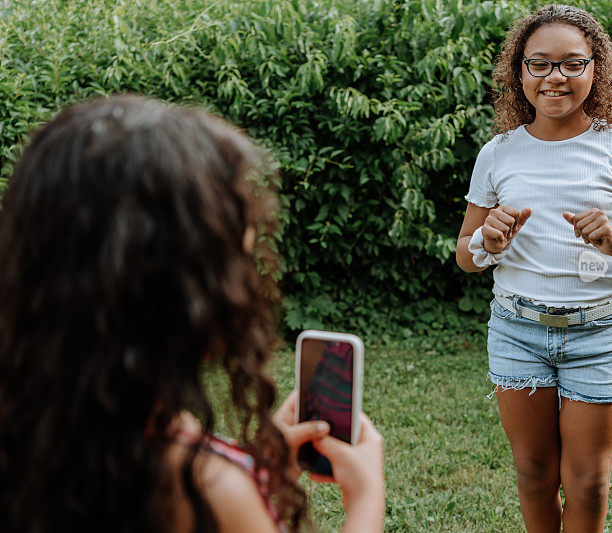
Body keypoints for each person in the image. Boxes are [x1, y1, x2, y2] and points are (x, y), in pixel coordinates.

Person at [0, 95, 385, 533]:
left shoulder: (41, 427)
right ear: (177, 292)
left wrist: (258, 468)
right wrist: (366, 499)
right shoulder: (206, 491)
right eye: (233, 263)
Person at [456, 4, 612, 532]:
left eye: (572, 63)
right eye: (538, 64)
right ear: (519, 72)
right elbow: (465, 256)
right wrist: (487, 239)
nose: (555, 77)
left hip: (599, 333)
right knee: (534, 472)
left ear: (597, 69)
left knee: (588, 481)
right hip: (517, 329)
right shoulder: (497, 153)